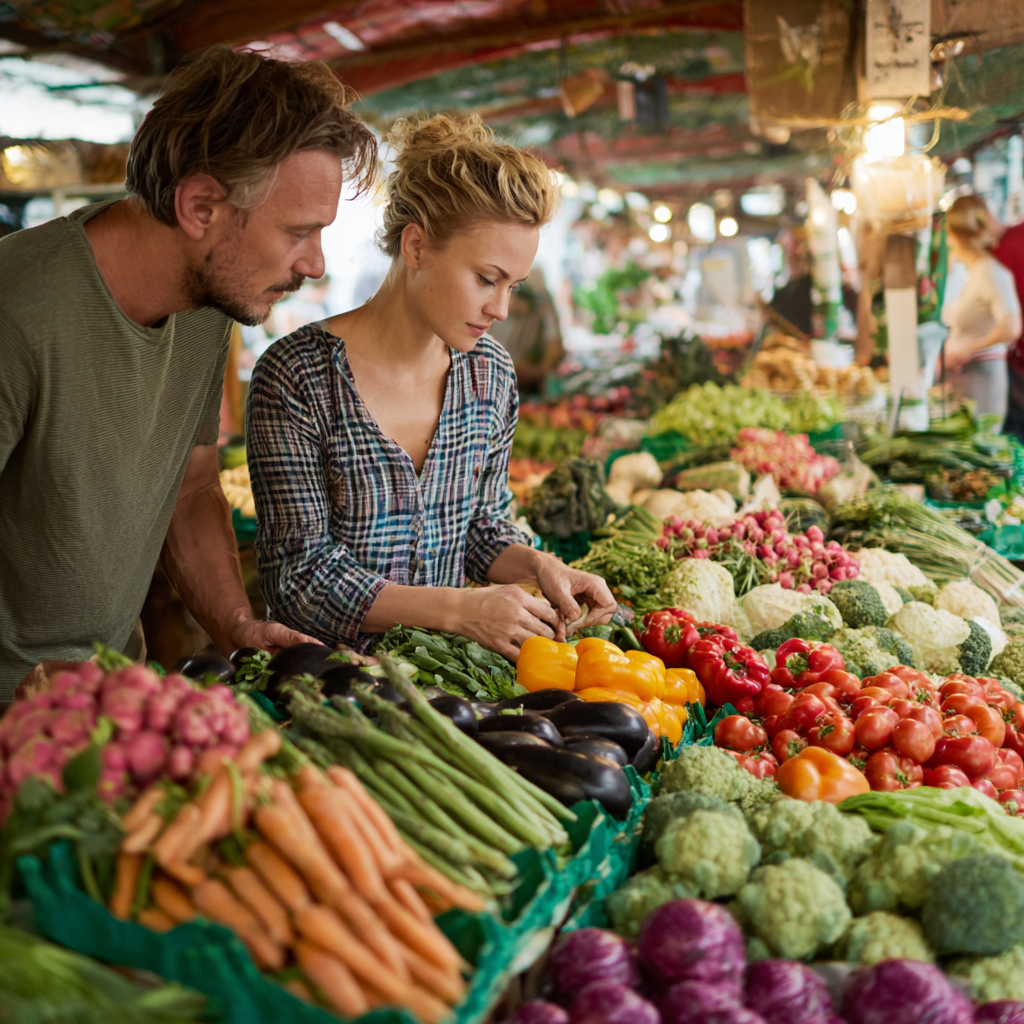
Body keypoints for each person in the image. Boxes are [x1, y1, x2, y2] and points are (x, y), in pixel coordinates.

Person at [0, 46, 378, 697]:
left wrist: (236, 624)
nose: (315, 264)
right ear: (201, 206)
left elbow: (191, 486)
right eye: (298, 232)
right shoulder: (17, 310)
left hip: (118, 699)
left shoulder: (208, 303)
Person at [246, 113, 616, 661]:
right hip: (330, 692)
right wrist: (460, 610)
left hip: (450, 682)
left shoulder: (489, 374)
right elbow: (299, 579)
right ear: (416, 247)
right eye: (486, 279)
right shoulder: (298, 376)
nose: (501, 308)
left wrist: (542, 566)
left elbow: (480, 529)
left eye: (513, 285)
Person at [941, 196, 1023, 429]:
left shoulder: (989, 271)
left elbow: (1012, 328)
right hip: (970, 382)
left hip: (985, 379)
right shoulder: (972, 271)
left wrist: (968, 348)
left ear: (953, 236)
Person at [488, 265, 565, 395]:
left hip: (531, 384)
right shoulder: (492, 312)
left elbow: (554, 340)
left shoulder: (540, 300)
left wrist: (544, 368)